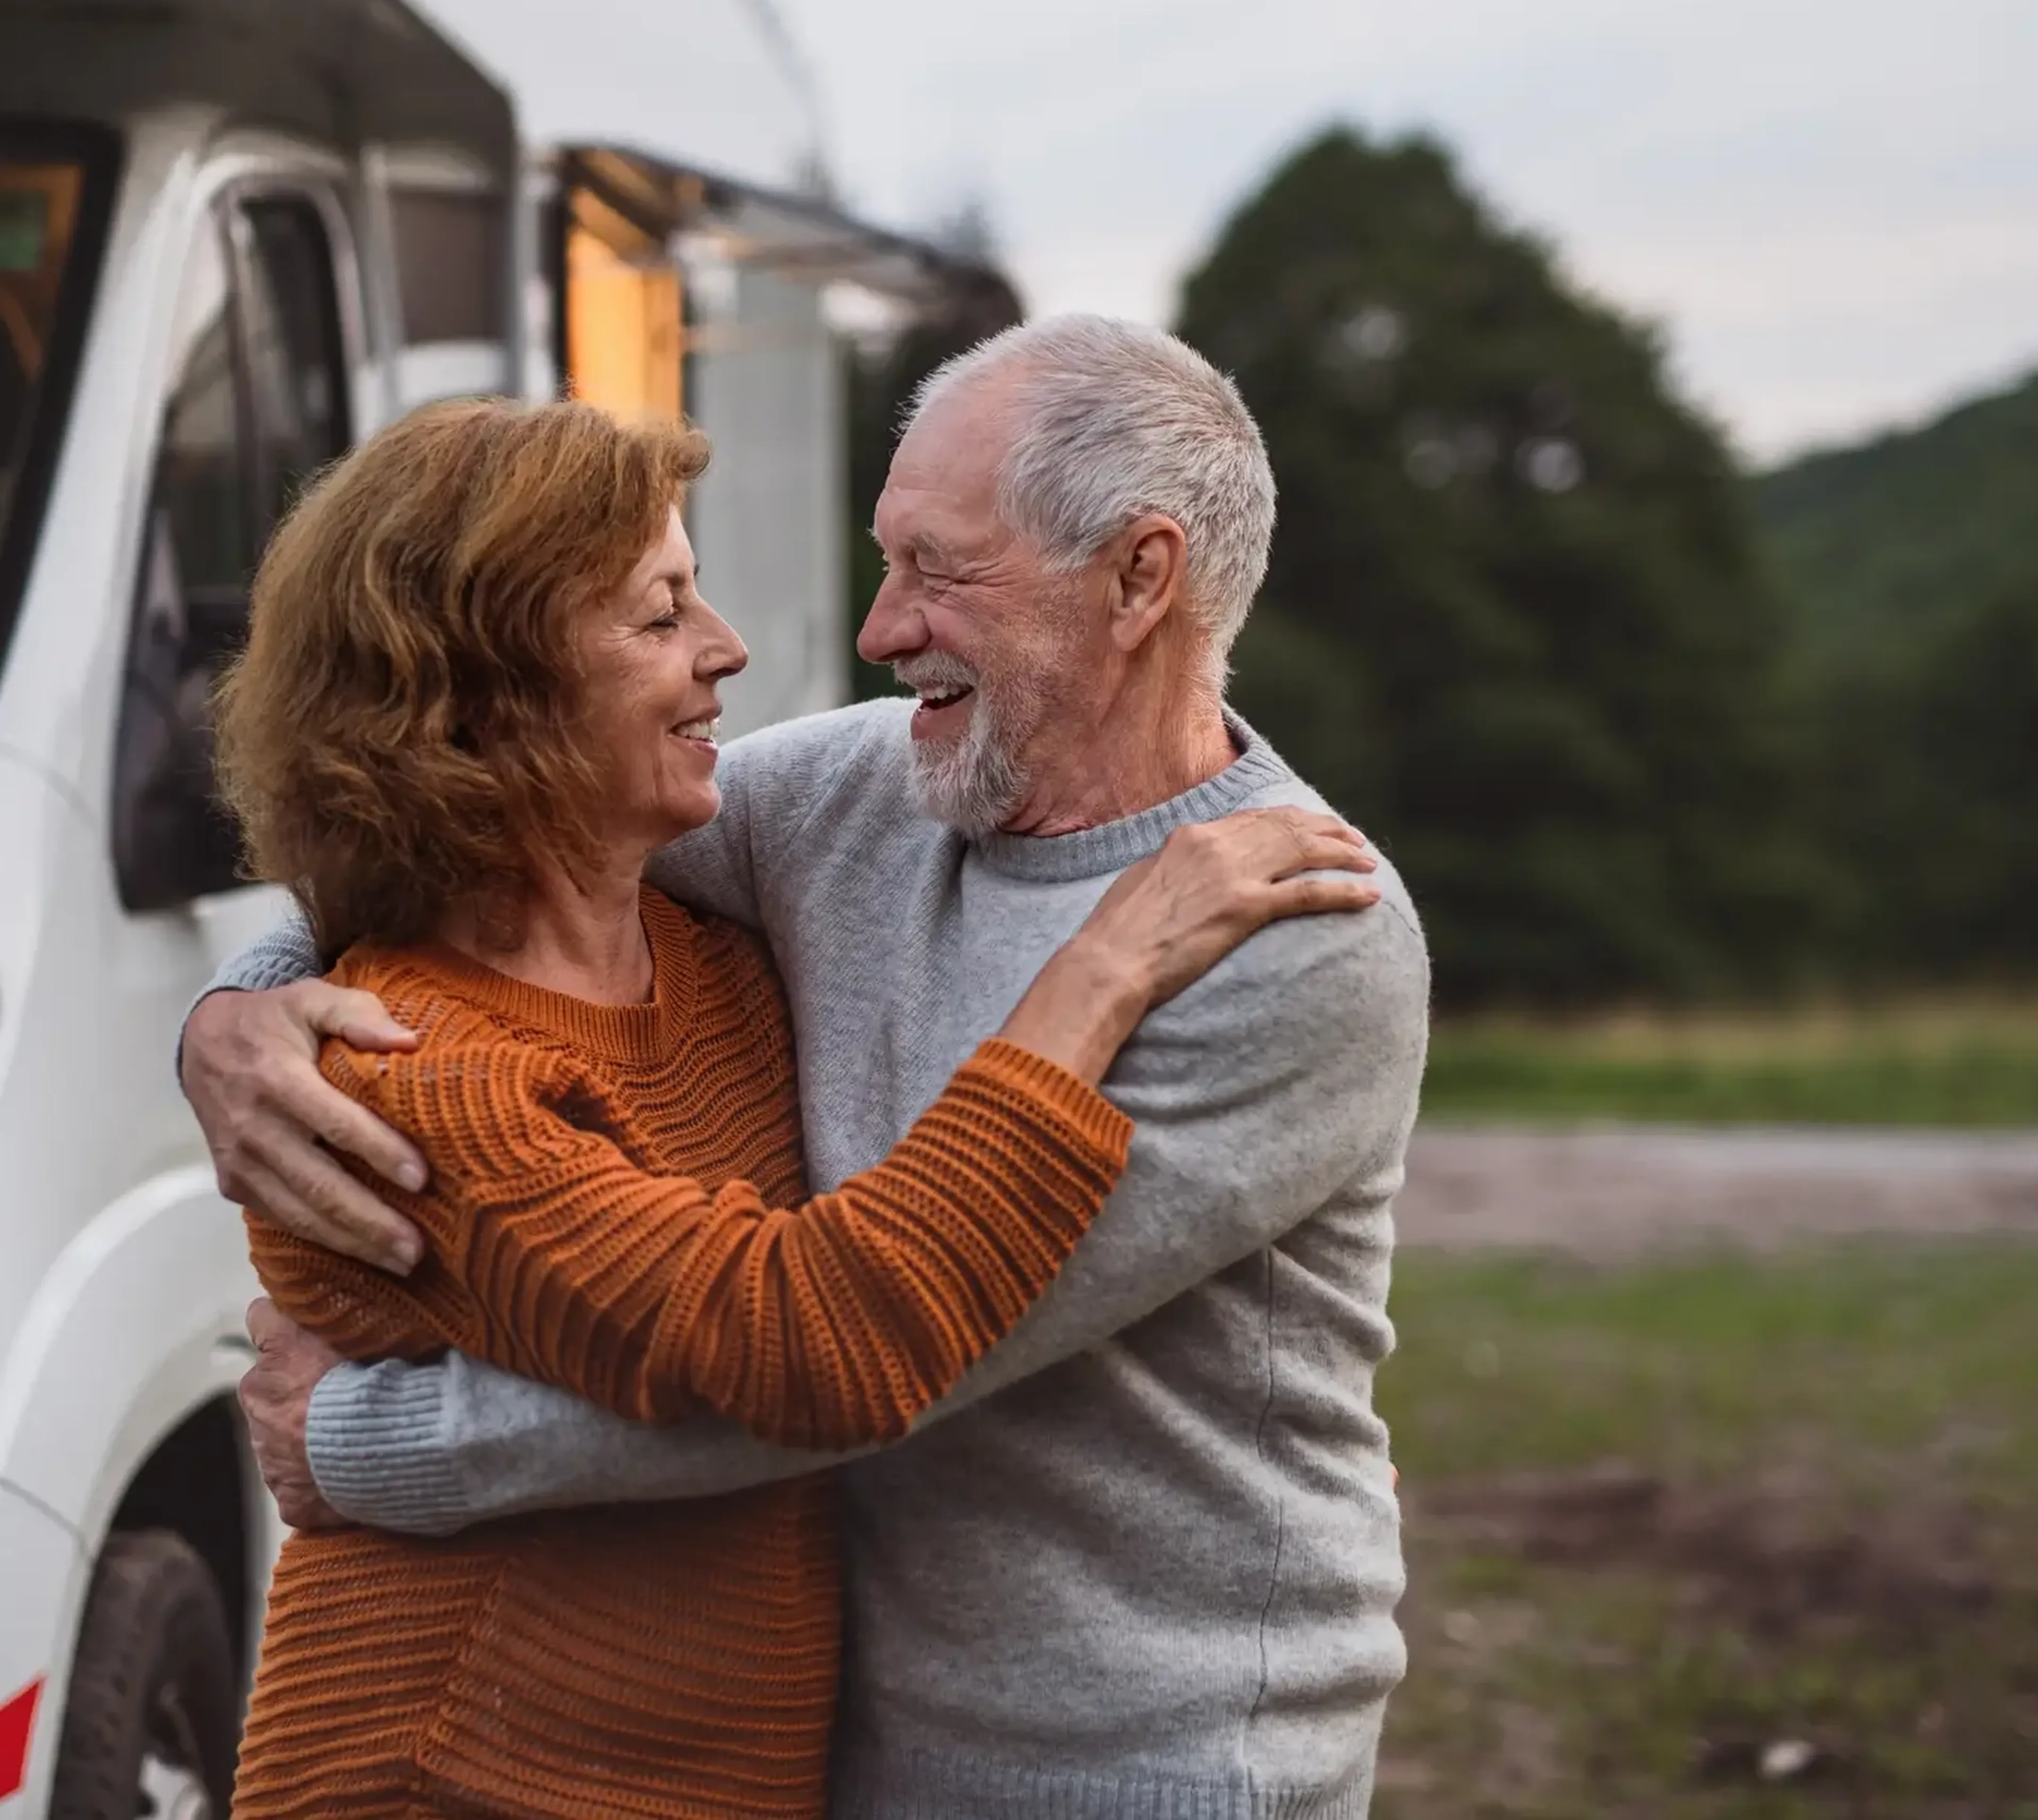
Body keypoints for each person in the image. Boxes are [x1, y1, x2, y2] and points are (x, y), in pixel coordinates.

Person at [187, 316, 1432, 1820]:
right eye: (886, 559)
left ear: (1139, 577)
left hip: (1131, 1767)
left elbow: (865, 1355)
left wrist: (366, 1444)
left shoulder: (1292, 934)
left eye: (937, 569)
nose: (877, 630)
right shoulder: (856, 794)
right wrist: (241, 1012)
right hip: (809, 1750)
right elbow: (458, 833)